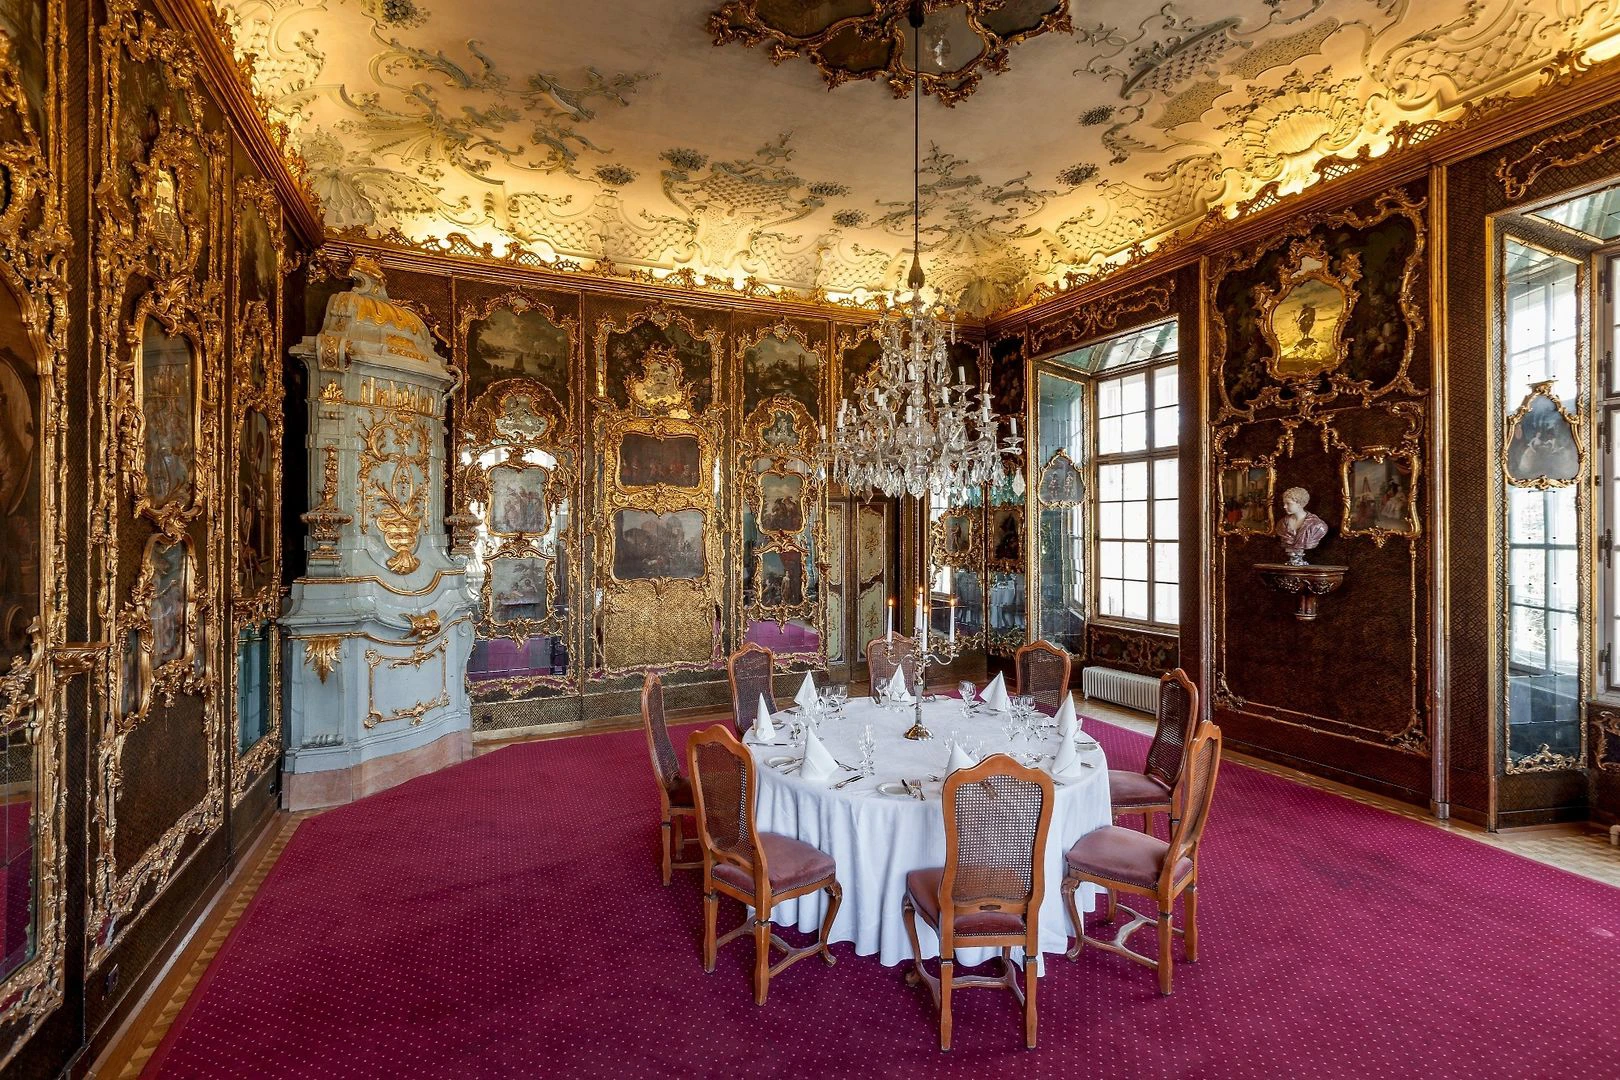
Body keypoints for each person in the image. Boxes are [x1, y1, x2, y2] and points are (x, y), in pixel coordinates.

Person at [1274, 486, 1328, 566]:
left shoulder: (1317, 525)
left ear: (1300, 504)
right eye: (1284, 503)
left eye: (1288, 503)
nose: (1284, 506)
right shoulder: (1281, 524)